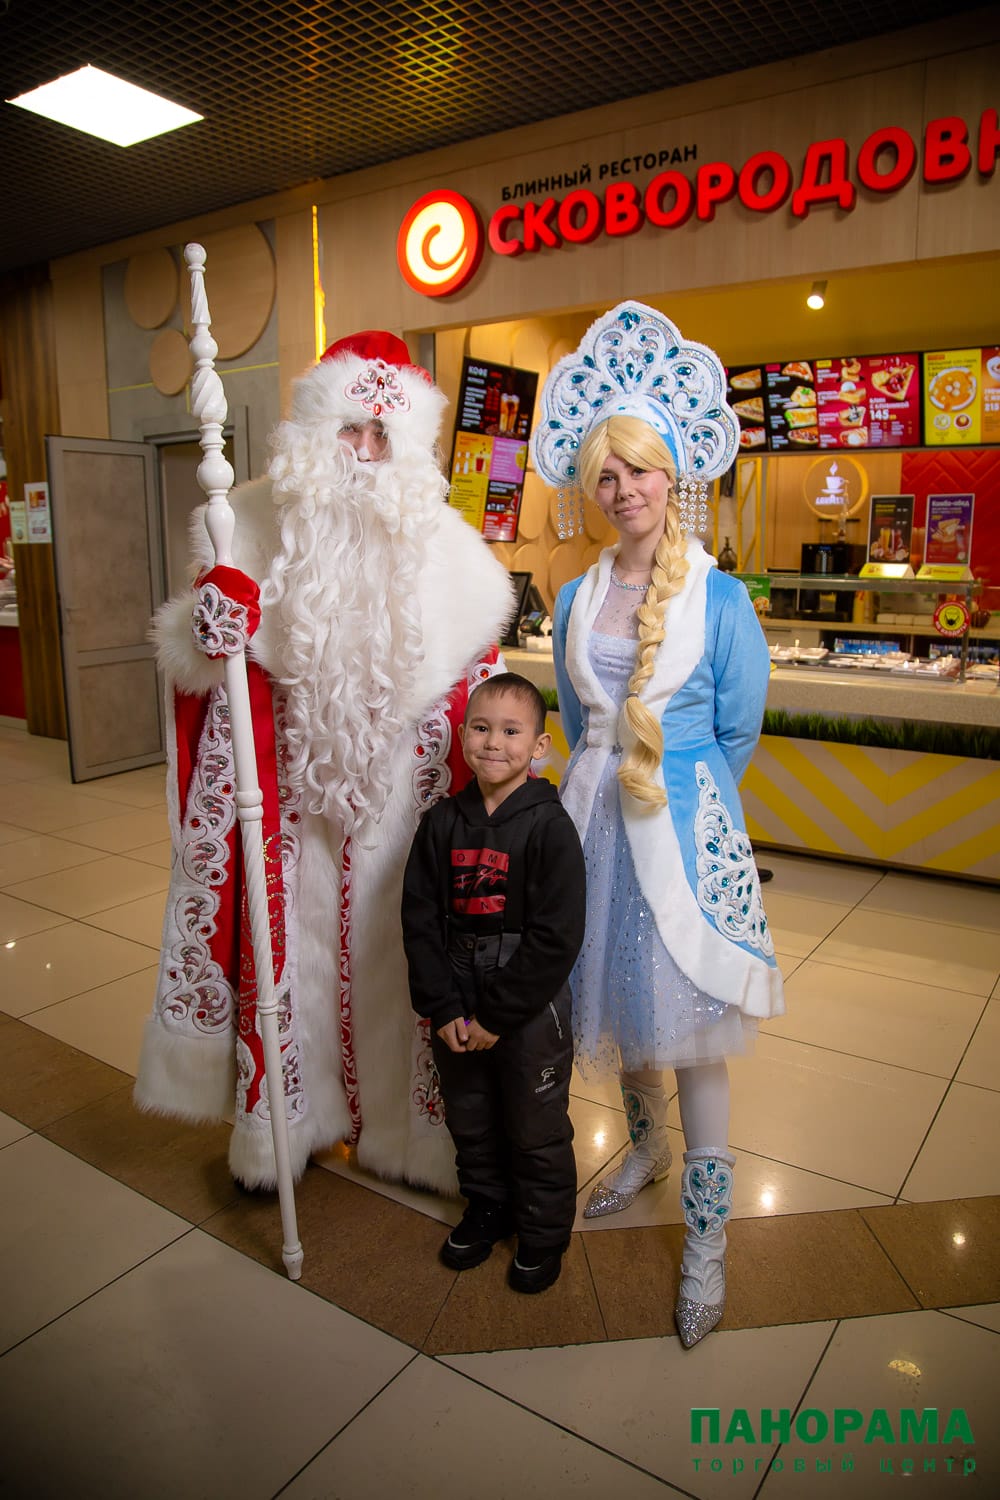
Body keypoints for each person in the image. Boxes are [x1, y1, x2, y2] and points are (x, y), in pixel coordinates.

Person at [134, 330, 514, 1196]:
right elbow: (198, 672)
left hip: (405, 812)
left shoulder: (456, 557)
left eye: (384, 435)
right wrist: (209, 628)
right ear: (315, 432)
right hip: (289, 807)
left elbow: (480, 702)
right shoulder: (243, 525)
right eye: (351, 429)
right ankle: (289, 1126)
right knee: (288, 965)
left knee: (404, 957)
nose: (365, 452)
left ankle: (409, 1135)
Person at [532, 302, 785, 1347]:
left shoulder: (720, 600)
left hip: (678, 836)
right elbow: (572, 712)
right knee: (620, 1008)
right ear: (590, 487)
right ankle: (644, 1151)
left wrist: (684, 803)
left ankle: (709, 1241)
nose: (623, 488)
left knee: (690, 1035)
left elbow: (736, 732)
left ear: (671, 474)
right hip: (591, 827)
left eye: (639, 468)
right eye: (606, 473)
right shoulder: (575, 595)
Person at [401, 674, 586, 1293]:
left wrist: (497, 1017)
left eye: (511, 731)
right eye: (481, 728)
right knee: (471, 1115)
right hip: (457, 995)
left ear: (538, 747)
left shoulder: (550, 828)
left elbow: (556, 939)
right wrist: (445, 1007)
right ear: (462, 737)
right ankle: (487, 1206)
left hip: (527, 1004)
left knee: (535, 1123)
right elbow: (420, 920)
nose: (493, 742)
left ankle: (543, 1231)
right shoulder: (440, 824)